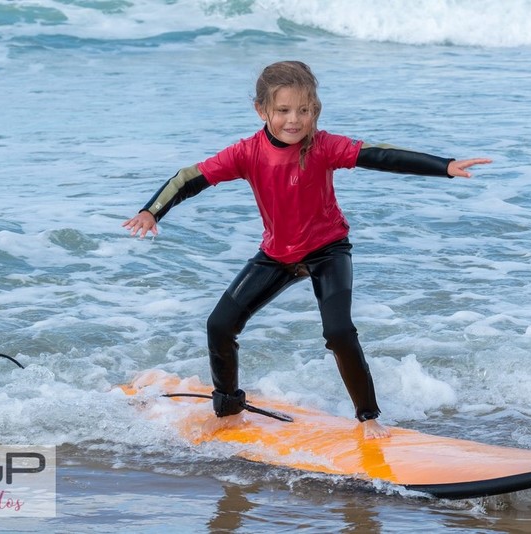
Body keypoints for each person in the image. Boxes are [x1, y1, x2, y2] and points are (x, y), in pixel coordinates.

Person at [123, 60, 491, 439]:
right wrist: (152, 211)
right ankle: (229, 407)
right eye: (282, 110)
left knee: (339, 332)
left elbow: (380, 156)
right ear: (262, 110)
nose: (294, 120)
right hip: (277, 255)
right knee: (219, 324)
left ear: (315, 110)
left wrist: (443, 166)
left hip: (327, 250)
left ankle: (368, 418)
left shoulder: (324, 146)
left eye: (304, 110)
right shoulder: (246, 152)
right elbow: (189, 178)